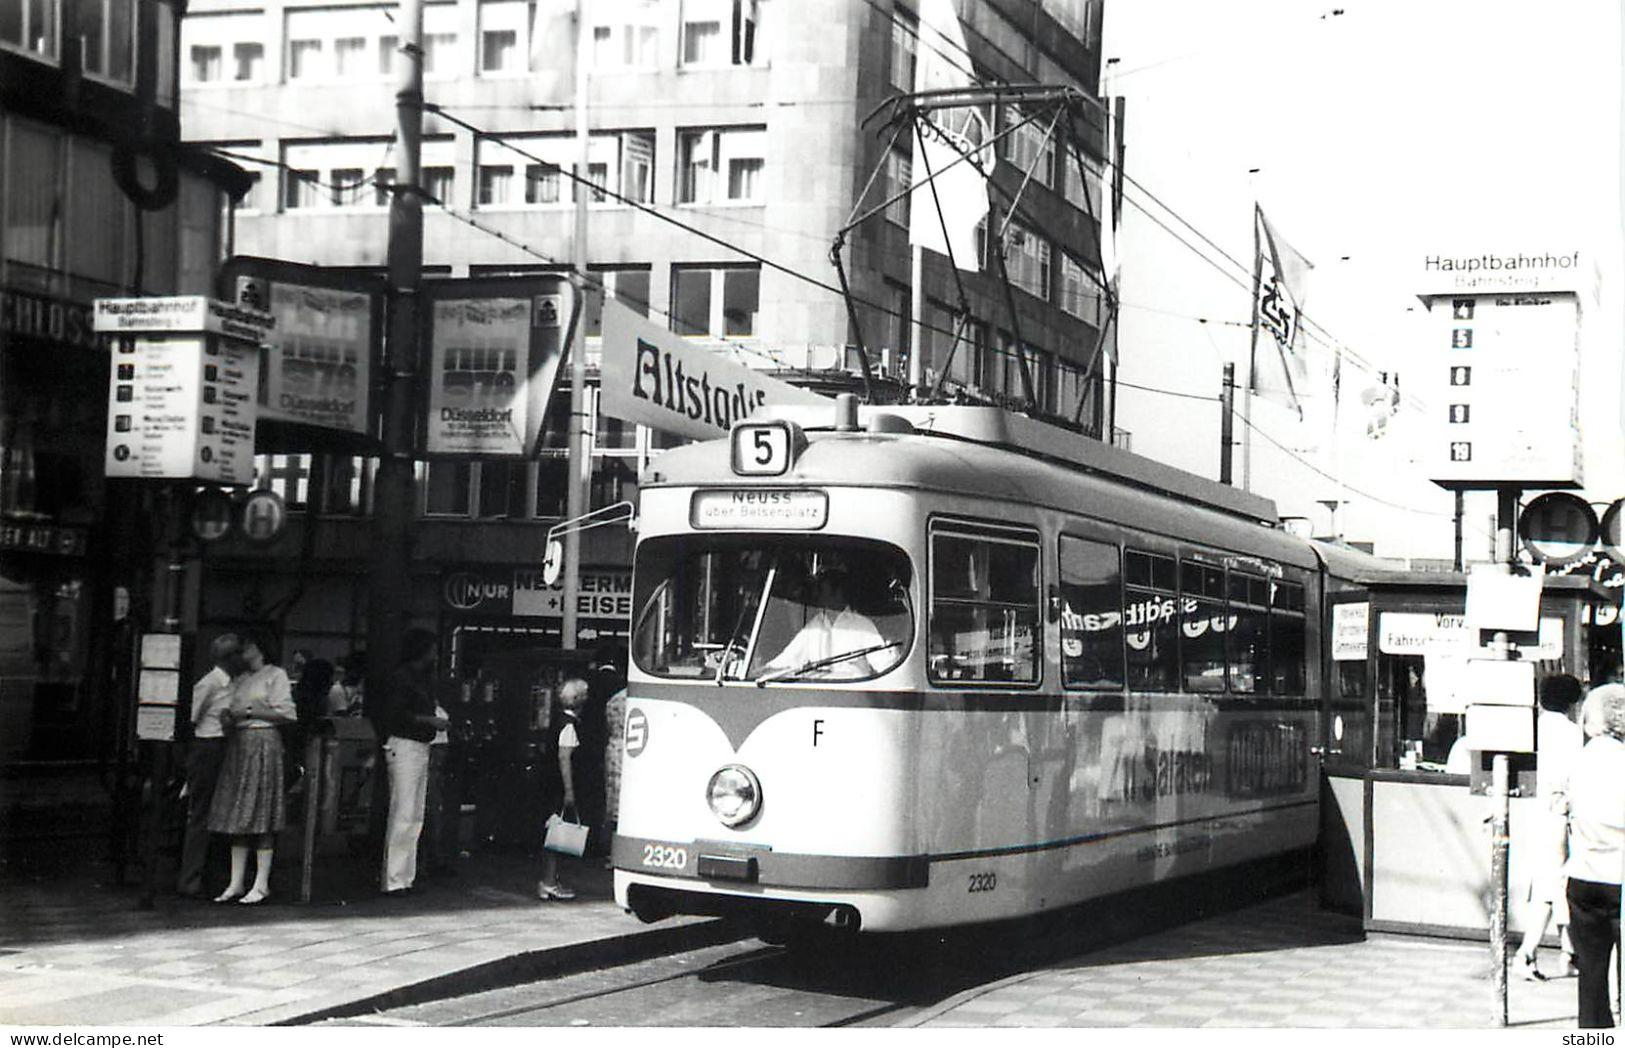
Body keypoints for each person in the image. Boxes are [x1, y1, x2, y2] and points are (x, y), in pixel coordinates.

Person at [206, 631, 296, 905]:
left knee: (262, 813)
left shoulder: (275, 674)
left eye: (246, 646)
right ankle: (236, 882)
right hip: (240, 742)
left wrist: (248, 713)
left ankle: (260, 882)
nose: (241, 652)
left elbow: (286, 713)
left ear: (259, 648)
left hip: (263, 740)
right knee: (240, 814)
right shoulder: (241, 679)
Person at [1563, 682, 1625, 1027]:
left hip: (1583, 875)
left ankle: (1593, 1035)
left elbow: (1563, 808)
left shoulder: (1578, 760)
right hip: (1619, 877)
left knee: (1591, 972)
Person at [1516, 673, 1584, 981]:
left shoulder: (1532, 729)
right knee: (1553, 887)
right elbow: (1577, 781)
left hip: (1533, 813)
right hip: (1558, 815)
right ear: (1571, 702)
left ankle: (1569, 955)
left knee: (1554, 885)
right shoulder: (1572, 734)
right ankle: (1525, 954)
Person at [176, 632, 242, 899]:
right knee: (201, 814)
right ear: (227, 658)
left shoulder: (233, 683)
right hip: (208, 748)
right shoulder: (211, 683)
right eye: (237, 653)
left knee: (217, 814)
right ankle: (190, 878)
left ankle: (208, 876)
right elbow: (191, 718)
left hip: (223, 748)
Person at [380, 628, 445, 896]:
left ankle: (403, 877)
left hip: (415, 745)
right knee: (406, 812)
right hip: (406, 744)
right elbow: (396, 715)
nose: (434, 654)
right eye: (431, 649)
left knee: (412, 813)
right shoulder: (406, 678)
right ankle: (396, 878)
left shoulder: (414, 678)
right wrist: (430, 720)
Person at [764, 567, 890, 679]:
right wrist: (762, 672)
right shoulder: (814, 626)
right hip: (820, 697)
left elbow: (885, 666)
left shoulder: (862, 626)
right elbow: (786, 661)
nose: (817, 596)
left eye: (822, 591)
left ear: (838, 594)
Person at [538, 677, 589, 901]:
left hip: (550, 782)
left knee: (553, 831)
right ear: (578, 700)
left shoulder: (558, 721)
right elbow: (564, 757)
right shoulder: (570, 725)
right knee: (556, 833)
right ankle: (548, 882)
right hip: (559, 786)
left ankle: (549, 880)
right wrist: (569, 790)